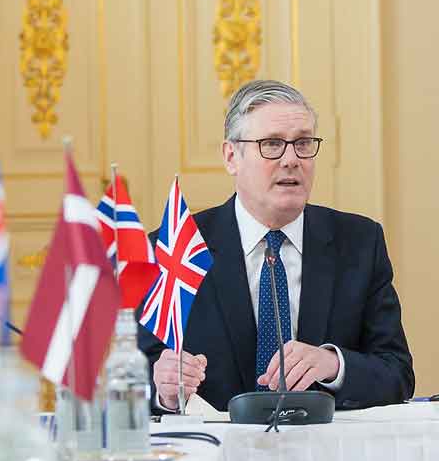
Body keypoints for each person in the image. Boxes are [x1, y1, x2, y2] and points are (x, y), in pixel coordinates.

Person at [143, 79, 413, 411]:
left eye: (302, 143)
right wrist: (165, 391)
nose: (291, 159)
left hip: (327, 451)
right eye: (272, 144)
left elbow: (397, 373)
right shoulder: (176, 247)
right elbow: (135, 377)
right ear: (232, 156)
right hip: (220, 454)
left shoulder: (359, 242)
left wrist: (333, 365)